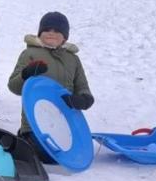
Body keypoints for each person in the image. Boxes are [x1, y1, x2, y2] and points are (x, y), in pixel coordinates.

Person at [6, 12, 94, 163]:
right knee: (47, 156)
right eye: (47, 29)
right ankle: (24, 139)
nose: (51, 33)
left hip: (64, 124)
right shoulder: (29, 54)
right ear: (40, 33)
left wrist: (84, 99)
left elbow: (82, 87)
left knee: (69, 156)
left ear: (65, 37)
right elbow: (14, 87)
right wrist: (26, 74)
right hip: (35, 125)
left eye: (57, 30)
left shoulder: (72, 59)